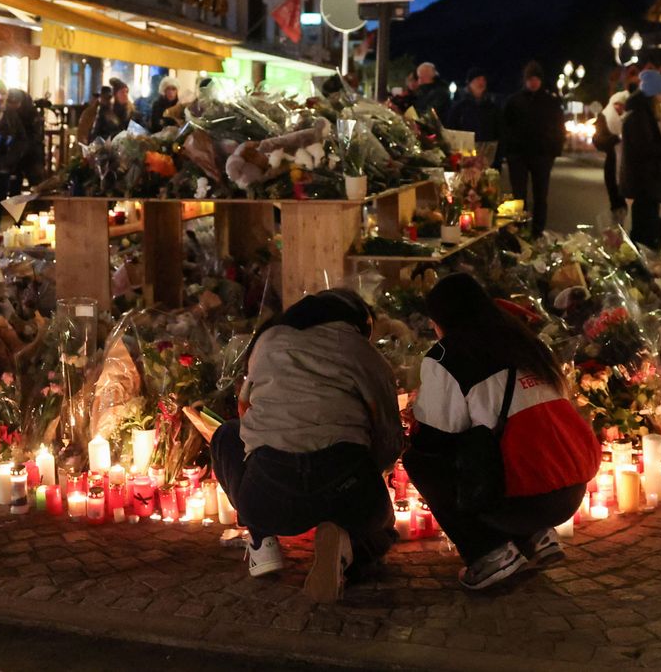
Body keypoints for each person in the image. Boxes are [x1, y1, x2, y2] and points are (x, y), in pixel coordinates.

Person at [403, 274, 598, 590]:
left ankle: (490, 554)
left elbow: (436, 437)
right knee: (498, 442)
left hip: (522, 498)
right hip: (571, 488)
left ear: (439, 319)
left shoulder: (449, 355)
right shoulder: (524, 341)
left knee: (421, 461)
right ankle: (537, 537)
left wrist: (416, 418)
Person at [209, 289, 403, 603]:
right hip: (344, 487)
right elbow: (387, 429)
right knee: (380, 528)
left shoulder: (267, 343)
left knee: (226, 435)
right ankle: (349, 551)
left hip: (268, 496)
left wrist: (269, 460)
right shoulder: (358, 350)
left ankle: (261, 541)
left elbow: (246, 416)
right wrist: (375, 469)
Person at [497, 62, 566, 238]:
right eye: (530, 79)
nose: (533, 82)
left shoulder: (551, 102)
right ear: (525, 80)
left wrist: (554, 151)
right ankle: (520, 229)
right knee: (519, 196)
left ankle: (537, 231)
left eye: (536, 79)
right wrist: (508, 151)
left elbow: (559, 127)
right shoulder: (514, 101)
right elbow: (504, 127)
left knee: (540, 196)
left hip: (542, 155)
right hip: (518, 155)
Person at [618, 78, 661, 250]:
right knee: (643, 234)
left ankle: (640, 264)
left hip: (646, 182)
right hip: (645, 182)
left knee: (646, 230)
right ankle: (637, 267)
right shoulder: (640, 117)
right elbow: (648, 149)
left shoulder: (644, 115)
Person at [444, 69, 500, 162]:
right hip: (465, 155)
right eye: (478, 79)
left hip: (486, 155)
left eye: (483, 80)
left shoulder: (492, 108)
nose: (481, 82)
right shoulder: (460, 107)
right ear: (470, 83)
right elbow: (451, 130)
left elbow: (499, 131)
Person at [593, 91, 629, 226]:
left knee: (627, 200)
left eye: (622, 105)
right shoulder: (604, 118)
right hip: (612, 164)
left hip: (628, 164)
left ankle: (623, 231)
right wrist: (616, 138)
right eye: (616, 105)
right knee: (615, 199)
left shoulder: (629, 118)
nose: (619, 108)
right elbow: (598, 141)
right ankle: (617, 232)